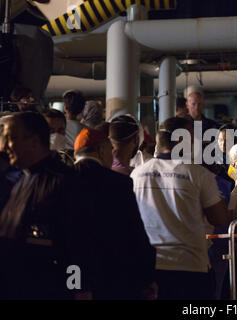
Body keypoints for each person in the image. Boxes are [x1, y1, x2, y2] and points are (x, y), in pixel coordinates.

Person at [131, 117, 230, 300]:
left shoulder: (137, 174)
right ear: (180, 140)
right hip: (190, 265)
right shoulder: (199, 174)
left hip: (150, 264)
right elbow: (219, 218)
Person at [0, 112, 88, 299]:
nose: (4, 146)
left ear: (34, 141)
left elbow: (79, 245)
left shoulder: (65, 182)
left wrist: (79, 288)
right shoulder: (21, 181)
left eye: (11, 138)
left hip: (46, 289)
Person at [73, 126, 157, 299]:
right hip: (115, 273)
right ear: (101, 150)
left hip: (75, 275)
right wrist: (147, 278)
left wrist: (75, 285)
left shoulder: (62, 179)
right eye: (110, 149)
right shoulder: (119, 183)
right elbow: (135, 232)